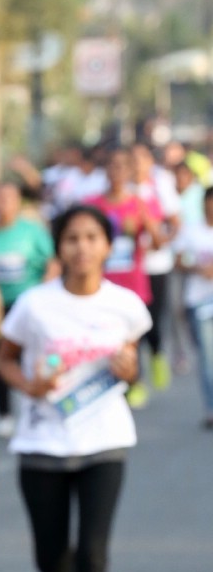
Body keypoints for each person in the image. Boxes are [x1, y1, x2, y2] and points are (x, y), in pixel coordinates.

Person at [0, 204, 150, 572]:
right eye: (72, 239)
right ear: (59, 248)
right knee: (50, 556)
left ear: (107, 246)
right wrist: (27, 386)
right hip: (43, 443)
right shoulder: (35, 305)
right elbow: (5, 358)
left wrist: (130, 372)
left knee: (96, 554)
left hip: (105, 441)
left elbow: (133, 368)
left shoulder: (126, 305)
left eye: (91, 237)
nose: (82, 247)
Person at [0, 178, 57, 437]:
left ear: (18, 202)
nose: (4, 204)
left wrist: (45, 288)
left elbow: (52, 263)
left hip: (27, 304)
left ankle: (38, 404)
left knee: (35, 356)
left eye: (10, 198)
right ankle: (4, 413)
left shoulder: (33, 231)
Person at [89, 147, 163, 407]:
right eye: (112, 166)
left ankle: (134, 379)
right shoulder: (92, 205)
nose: (117, 172)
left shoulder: (139, 203)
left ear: (130, 171)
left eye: (122, 167)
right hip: (100, 282)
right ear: (106, 170)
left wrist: (146, 222)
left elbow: (157, 244)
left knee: (132, 337)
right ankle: (106, 384)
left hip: (133, 283)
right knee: (103, 337)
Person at [130, 141, 180, 396]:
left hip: (156, 266)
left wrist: (162, 242)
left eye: (142, 158)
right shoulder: (122, 188)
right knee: (129, 323)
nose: (137, 164)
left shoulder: (160, 185)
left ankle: (157, 353)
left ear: (150, 162)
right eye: (133, 159)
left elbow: (174, 221)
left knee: (151, 319)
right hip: (127, 268)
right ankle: (134, 379)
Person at [174, 185, 213, 428]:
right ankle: (211, 407)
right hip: (200, 302)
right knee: (208, 358)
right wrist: (198, 268)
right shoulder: (191, 231)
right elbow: (178, 261)